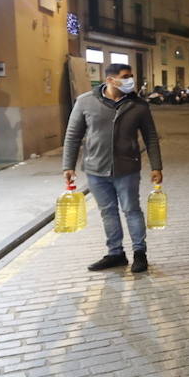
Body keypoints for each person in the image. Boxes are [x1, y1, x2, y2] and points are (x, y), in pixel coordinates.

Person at [62, 63, 163, 273]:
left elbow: (151, 137)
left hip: (127, 168)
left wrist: (156, 166)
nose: (130, 81)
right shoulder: (85, 102)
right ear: (110, 79)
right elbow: (73, 136)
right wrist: (68, 166)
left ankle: (139, 253)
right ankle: (115, 253)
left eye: (131, 76)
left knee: (132, 211)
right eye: (125, 77)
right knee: (108, 212)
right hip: (95, 169)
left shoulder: (139, 105)